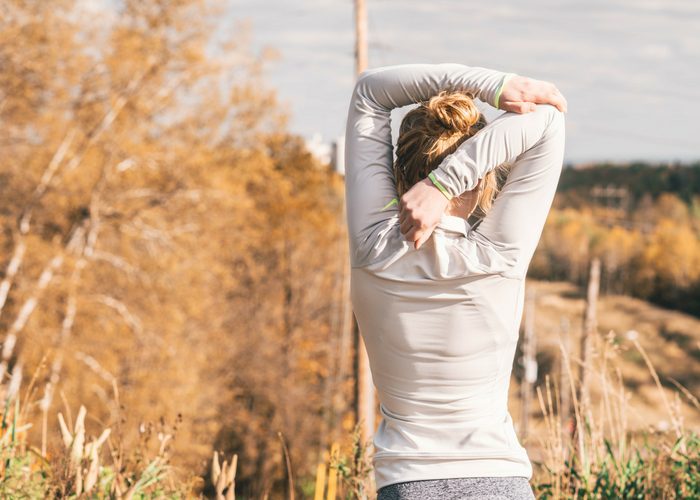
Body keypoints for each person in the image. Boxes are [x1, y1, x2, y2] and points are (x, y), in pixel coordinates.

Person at [343, 63, 567, 499]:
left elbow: (370, 92)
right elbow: (549, 120)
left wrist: (493, 88)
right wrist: (445, 185)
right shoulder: (498, 258)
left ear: (398, 167)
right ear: (483, 178)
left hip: (408, 484)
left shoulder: (373, 249)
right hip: (499, 482)